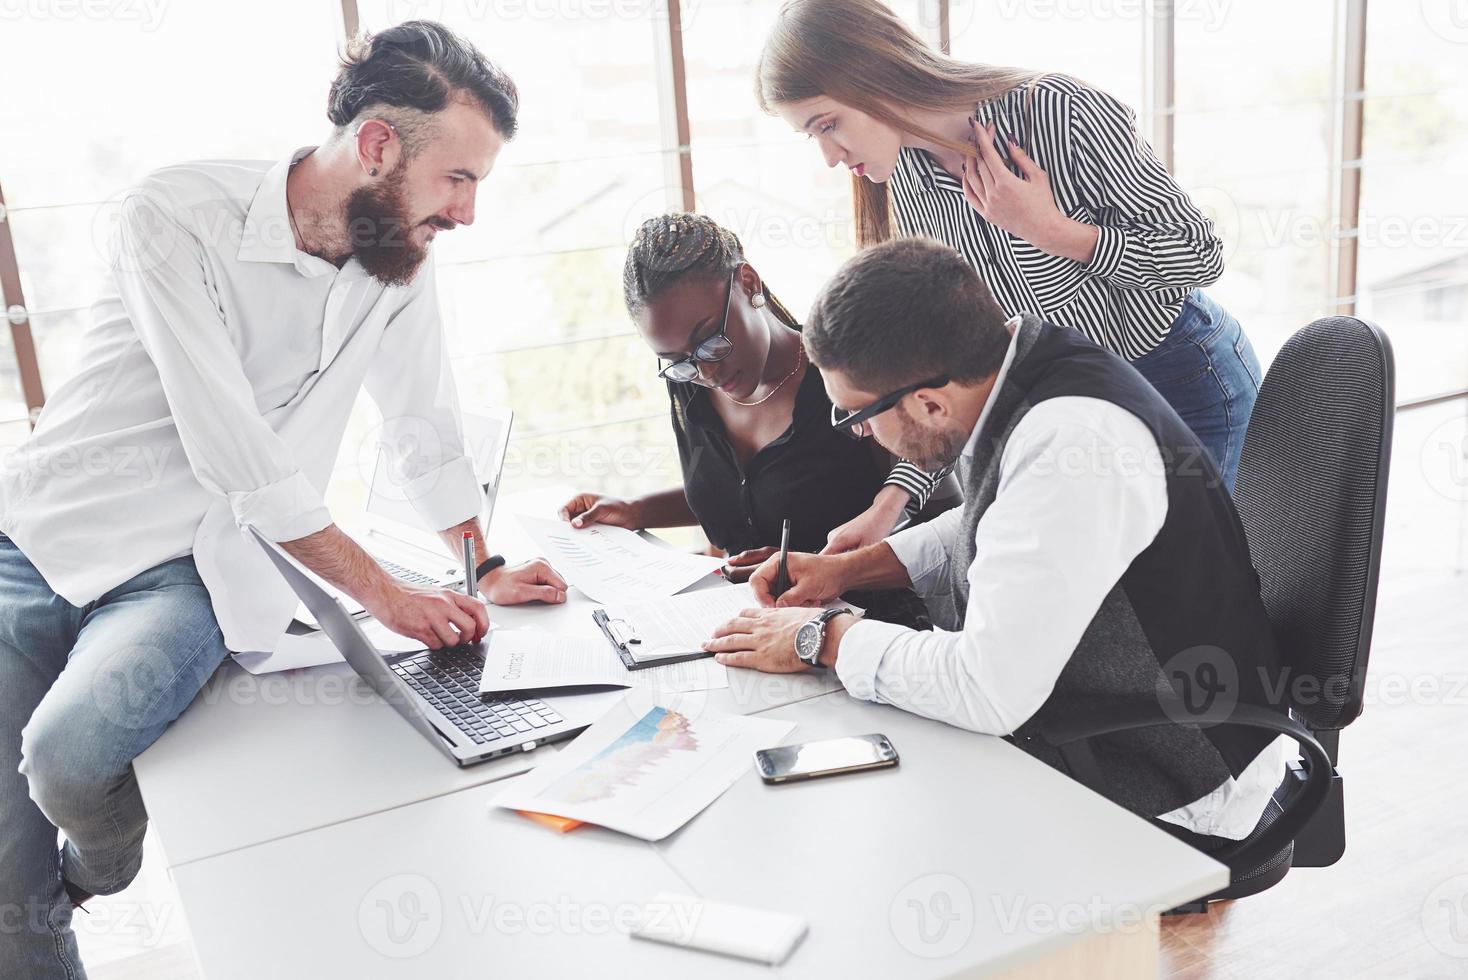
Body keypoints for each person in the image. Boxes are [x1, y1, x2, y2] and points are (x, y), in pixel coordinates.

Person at [0, 22, 563, 978]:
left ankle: (104, 868)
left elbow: (423, 420)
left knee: (65, 757)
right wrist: (389, 596)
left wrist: (483, 564)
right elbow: (237, 450)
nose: (468, 212)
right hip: (39, 535)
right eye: (459, 180)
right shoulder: (176, 212)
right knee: (11, 897)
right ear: (379, 146)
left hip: (188, 568)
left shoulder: (400, 261)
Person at [704, 237, 1292, 841]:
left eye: (855, 416)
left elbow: (986, 690)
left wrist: (820, 638)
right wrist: (851, 570)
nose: (858, 435)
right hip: (1095, 710)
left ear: (929, 404)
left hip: (1176, 766)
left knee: (864, 823)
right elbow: (1007, 520)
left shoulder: (1071, 444)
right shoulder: (1014, 363)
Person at [757, 0, 1261, 491]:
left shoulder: (1058, 111)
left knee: (1196, 568)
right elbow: (944, 356)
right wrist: (896, 500)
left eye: (828, 124)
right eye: (811, 136)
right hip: (1069, 410)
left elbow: (1200, 253)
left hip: (1178, 377)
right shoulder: (904, 178)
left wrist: (1053, 231)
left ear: (874, 74)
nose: (828, 156)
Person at [559, 213, 944, 622]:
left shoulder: (843, 373)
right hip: (746, 627)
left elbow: (934, 510)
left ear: (748, 283)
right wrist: (637, 510)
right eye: (678, 361)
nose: (706, 373)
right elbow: (742, 497)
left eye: (710, 341)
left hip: (868, 629)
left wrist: (816, 563)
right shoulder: (689, 384)